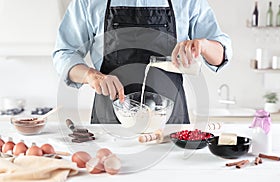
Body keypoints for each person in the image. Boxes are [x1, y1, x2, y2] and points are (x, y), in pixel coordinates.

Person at [53, 0, 232, 124]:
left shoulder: (188, 2)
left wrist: (204, 45)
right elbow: (63, 53)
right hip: (110, 121)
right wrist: (91, 76)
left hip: (169, 122)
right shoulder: (89, 2)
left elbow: (221, 54)